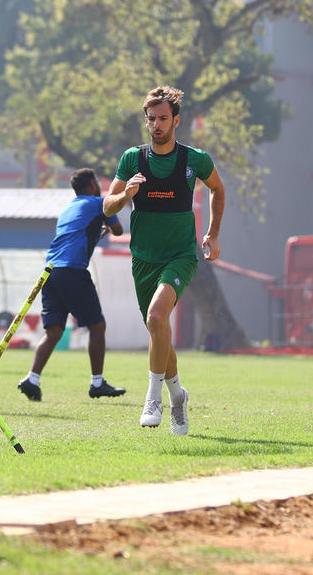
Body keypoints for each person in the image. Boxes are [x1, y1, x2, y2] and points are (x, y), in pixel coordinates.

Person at [102, 86, 226, 436]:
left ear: (176, 121)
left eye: (163, 119)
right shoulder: (132, 159)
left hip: (181, 255)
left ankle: (153, 398)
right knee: (158, 330)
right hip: (143, 258)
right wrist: (125, 195)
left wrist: (213, 233)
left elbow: (218, 188)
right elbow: (106, 206)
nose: (156, 125)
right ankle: (178, 396)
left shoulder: (194, 159)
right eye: (151, 119)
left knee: (158, 317)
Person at [17, 168, 126, 402]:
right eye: (96, 183)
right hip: (72, 270)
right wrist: (108, 222)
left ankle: (32, 379)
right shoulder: (99, 203)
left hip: (50, 273)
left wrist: (98, 232)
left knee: (53, 331)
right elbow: (119, 230)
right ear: (90, 187)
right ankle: (98, 383)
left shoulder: (68, 208)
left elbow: (76, 236)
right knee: (97, 327)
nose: (99, 186)